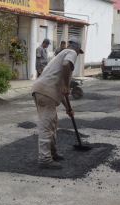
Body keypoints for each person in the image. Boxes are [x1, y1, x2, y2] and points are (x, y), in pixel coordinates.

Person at [31, 37, 84, 169]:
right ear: (77, 48)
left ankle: (52, 153)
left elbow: (61, 92)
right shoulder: (70, 52)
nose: (77, 55)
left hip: (42, 90)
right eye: (79, 52)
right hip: (45, 91)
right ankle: (44, 159)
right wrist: (67, 85)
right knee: (47, 125)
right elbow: (66, 66)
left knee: (52, 122)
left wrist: (67, 108)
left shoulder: (60, 56)